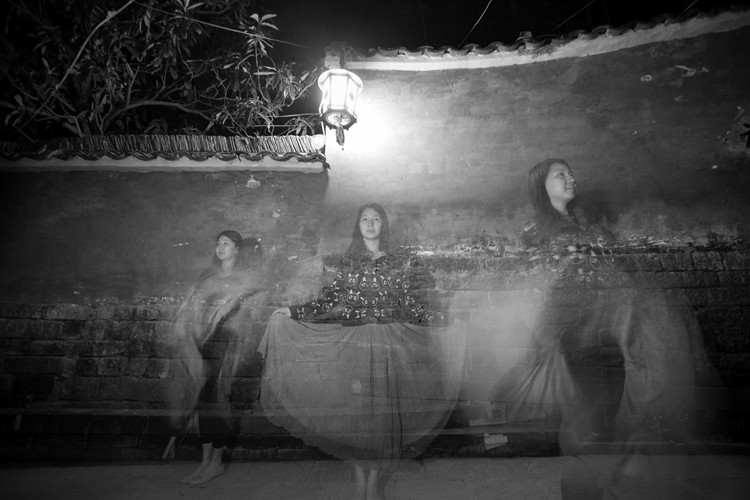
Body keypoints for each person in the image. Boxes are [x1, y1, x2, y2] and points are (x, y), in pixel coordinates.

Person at [515, 158, 719, 498]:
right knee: (585, 417)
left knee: (606, 416)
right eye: (560, 174)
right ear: (541, 185)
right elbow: (540, 284)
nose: (570, 178)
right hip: (574, 333)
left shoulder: (585, 227)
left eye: (571, 172)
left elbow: (610, 274)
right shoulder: (535, 231)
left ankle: (603, 484)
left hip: (605, 334)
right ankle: (581, 491)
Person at [259, 203, 467, 500]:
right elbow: (328, 301)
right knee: (357, 416)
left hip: (386, 346)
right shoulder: (350, 262)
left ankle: (373, 485)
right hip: (355, 346)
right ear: (358, 226)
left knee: (382, 416)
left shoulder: (398, 262)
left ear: (384, 224)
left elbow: (411, 307)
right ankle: (360, 483)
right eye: (365, 219)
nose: (370, 224)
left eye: (376, 218)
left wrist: (447, 320)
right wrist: (292, 312)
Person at [169, 230, 264, 486]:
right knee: (203, 400)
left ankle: (217, 462)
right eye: (218, 243)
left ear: (237, 249)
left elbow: (248, 316)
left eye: (226, 243)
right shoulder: (208, 277)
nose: (220, 247)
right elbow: (193, 309)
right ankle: (205, 462)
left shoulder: (244, 279)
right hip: (205, 342)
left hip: (227, 345)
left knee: (217, 400)